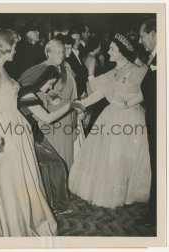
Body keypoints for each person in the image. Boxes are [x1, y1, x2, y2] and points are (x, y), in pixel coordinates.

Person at [0, 28, 58, 236]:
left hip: (17, 128)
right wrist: (5, 141)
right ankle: (15, 229)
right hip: (7, 133)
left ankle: (30, 220)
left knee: (25, 178)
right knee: (13, 181)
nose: (16, 50)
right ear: (4, 47)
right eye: (14, 46)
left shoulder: (2, 69)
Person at [69, 33, 151, 209]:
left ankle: (124, 193)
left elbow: (147, 92)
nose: (108, 51)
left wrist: (127, 103)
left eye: (112, 49)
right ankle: (110, 193)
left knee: (123, 156)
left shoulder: (137, 70)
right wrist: (81, 103)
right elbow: (100, 93)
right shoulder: (112, 71)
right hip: (111, 114)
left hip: (130, 116)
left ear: (121, 52)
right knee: (110, 155)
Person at [18, 64, 83, 216]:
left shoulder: (30, 91)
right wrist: (71, 105)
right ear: (41, 79)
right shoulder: (27, 94)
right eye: (49, 83)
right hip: (29, 136)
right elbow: (47, 118)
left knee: (53, 165)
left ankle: (55, 205)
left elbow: (40, 116)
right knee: (55, 164)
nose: (50, 87)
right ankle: (59, 207)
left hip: (34, 133)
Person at [20, 39, 83, 170]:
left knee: (67, 160)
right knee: (52, 164)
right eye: (57, 52)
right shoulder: (41, 71)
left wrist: (76, 119)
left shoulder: (67, 72)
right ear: (48, 53)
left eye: (62, 52)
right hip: (47, 121)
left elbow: (73, 97)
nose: (61, 55)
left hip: (65, 120)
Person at [135, 19, 157, 227]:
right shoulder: (155, 57)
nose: (141, 42)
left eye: (142, 37)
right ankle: (155, 212)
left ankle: (157, 216)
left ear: (154, 33)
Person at [67, 29, 88, 100]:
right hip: (76, 94)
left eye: (78, 39)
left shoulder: (79, 54)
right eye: (74, 39)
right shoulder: (68, 57)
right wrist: (82, 93)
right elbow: (73, 78)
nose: (76, 42)